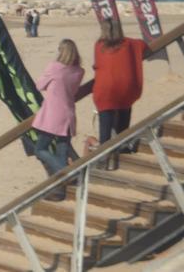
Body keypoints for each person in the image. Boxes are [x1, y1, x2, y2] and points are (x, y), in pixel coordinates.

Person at [32, 39, 84, 199]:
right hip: (68, 115)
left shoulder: (55, 67)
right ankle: (59, 191)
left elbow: (39, 85)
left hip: (53, 115)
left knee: (40, 149)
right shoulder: (78, 71)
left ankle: (66, 172)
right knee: (61, 151)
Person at [92, 19, 147, 167]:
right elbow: (143, 45)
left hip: (105, 90)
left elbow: (97, 65)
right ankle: (121, 152)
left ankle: (103, 162)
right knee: (123, 122)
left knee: (105, 130)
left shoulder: (99, 46)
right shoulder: (129, 44)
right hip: (125, 89)